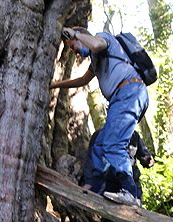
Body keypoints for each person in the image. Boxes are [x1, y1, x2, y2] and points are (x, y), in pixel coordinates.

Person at [50, 26, 149, 207]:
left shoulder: (103, 39)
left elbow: (95, 44)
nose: (74, 51)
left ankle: (130, 193)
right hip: (124, 97)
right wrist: (55, 85)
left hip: (128, 92)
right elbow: (82, 81)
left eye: (73, 46)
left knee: (113, 145)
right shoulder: (96, 61)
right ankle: (93, 185)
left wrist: (75, 34)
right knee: (101, 143)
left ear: (82, 38)